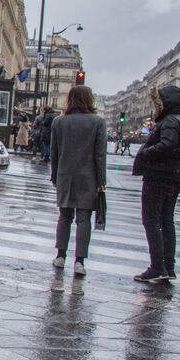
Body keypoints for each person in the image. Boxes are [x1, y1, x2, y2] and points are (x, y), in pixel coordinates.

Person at [131, 85, 180, 283]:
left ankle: (157, 266)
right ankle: (169, 266)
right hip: (174, 177)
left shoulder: (168, 123)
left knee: (151, 220)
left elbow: (166, 144)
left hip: (158, 176)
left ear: (164, 103)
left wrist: (145, 154)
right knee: (167, 221)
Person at [49, 85, 106, 277]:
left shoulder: (59, 122)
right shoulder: (97, 122)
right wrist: (101, 180)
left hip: (65, 175)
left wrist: (55, 175)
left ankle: (60, 256)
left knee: (64, 217)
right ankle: (79, 261)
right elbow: (99, 155)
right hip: (88, 177)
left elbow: (54, 152)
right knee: (84, 220)